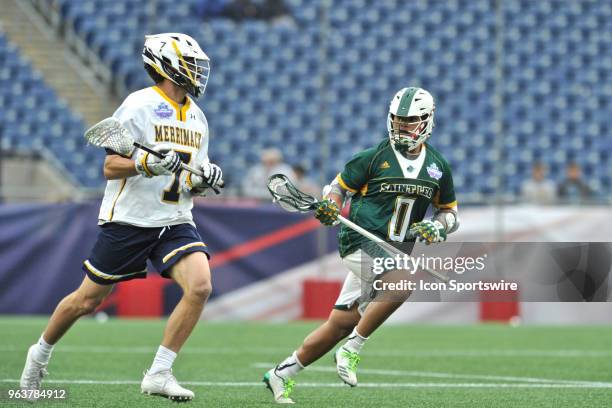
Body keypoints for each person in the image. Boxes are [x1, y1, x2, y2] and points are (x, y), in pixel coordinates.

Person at [19, 33, 224, 402]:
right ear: (167, 66)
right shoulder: (139, 105)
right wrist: (146, 162)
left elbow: (192, 178)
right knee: (86, 301)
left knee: (200, 286)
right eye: (190, 64)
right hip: (130, 220)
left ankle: (160, 372)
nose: (197, 72)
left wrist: (208, 178)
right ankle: (39, 356)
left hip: (175, 219)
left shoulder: (197, 116)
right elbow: (111, 166)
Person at [263, 87, 459, 403]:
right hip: (360, 241)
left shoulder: (438, 166)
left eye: (409, 121)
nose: (401, 126)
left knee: (340, 323)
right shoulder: (372, 157)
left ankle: (281, 373)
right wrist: (329, 206)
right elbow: (337, 189)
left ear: (426, 121)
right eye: (397, 120)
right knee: (402, 283)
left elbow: (450, 212)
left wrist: (437, 227)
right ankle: (353, 349)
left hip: (396, 252)